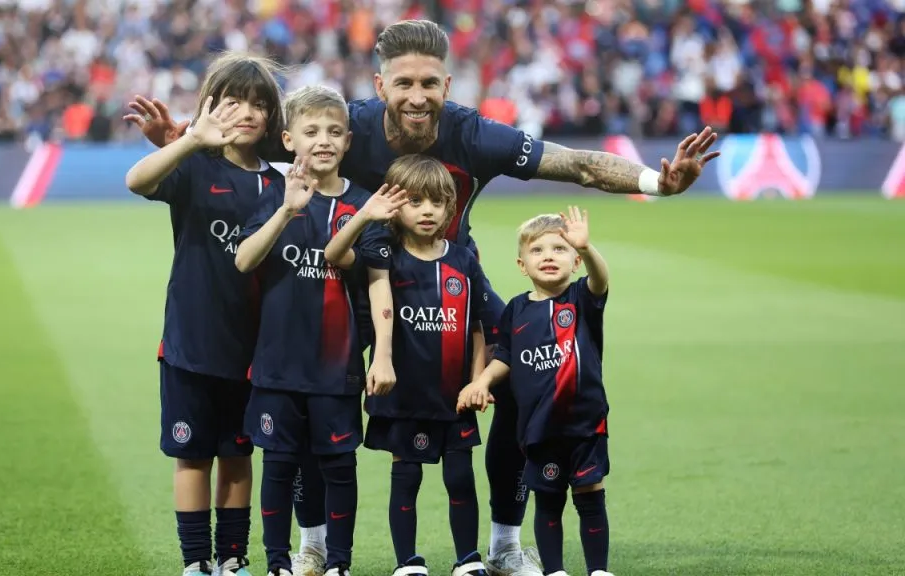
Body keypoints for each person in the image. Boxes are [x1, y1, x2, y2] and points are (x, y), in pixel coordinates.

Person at [125, 19, 719, 576]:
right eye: (403, 83)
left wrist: (656, 183)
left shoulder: (472, 133)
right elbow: (263, 145)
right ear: (381, 83)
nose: (416, 96)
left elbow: (576, 165)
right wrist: (178, 141)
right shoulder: (346, 127)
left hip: (455, 281)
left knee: (517, 375)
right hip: (365, 284)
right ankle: (312, 545)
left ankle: (506, 543)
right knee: (310, 390)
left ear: (447, 84)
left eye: (429, 83)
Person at [123, 53, 285, 576]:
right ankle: (196, 562)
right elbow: (136, 181)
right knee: (191, 456)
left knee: (239, 457)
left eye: (259, 104)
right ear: (209, 107)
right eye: (233, 101)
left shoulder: (280, 186)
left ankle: (233, 558)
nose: (247, 112)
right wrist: (187, 140)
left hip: (252, 350)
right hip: (191, 342)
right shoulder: (194, 165)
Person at [233, 85, 398, 576]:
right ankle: (278, 564)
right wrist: (287, 209)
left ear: (348, 141)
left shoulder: (367, 206)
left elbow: (377, 285)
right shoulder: (273, 197)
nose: (322, 141)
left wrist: (382, 355)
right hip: (278, 364)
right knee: (279, 467)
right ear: (288, 139)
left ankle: (339, 564)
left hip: (337, 367)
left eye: (332, 132)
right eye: (310, 132)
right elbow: (243, 260)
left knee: (338, 467)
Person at [324, 154, 488, 576]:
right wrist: (364, 217)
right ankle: (407, 562)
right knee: (407, 476)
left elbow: (476, 328)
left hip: (455, 396)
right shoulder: (384, 258)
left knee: (460, 477)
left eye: (436, 202)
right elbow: (335, 254)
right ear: (396, 206)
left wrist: (479, 379)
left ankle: (468, 559)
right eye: (415, 201)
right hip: (405, 394)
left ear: (450, 207)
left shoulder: (464, 259)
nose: (428, 210)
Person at [457, 207, 614, 576]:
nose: (548, 256)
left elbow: (601, 280)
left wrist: (588, 247)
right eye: (538, 250)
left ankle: (598, 570)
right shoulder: (516, 310)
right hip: (539, 428)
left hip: (585, 425)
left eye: (559, 249)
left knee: (590, 497)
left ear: (575, 261)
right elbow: (507, 358)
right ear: (521, 264)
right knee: (548, 502)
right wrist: (481, 381)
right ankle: (555, 570)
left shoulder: (581, 299)